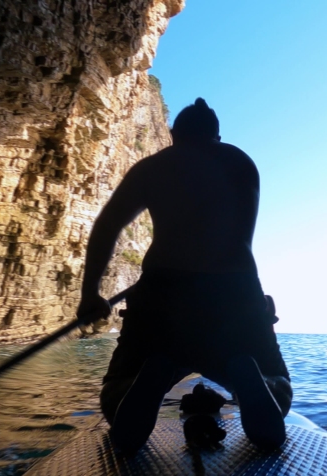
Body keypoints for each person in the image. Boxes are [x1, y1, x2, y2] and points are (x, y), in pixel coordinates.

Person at [76, 98, 293, 452]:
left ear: (174, 134)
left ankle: (156, 372)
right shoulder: (242, 164)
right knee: (277, 383)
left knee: (118, 388)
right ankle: (244, 373)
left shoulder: (153, 167)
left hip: (163, 292)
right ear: (217, 136)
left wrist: (90, 294)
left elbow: (107, 226)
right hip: (235, 291)